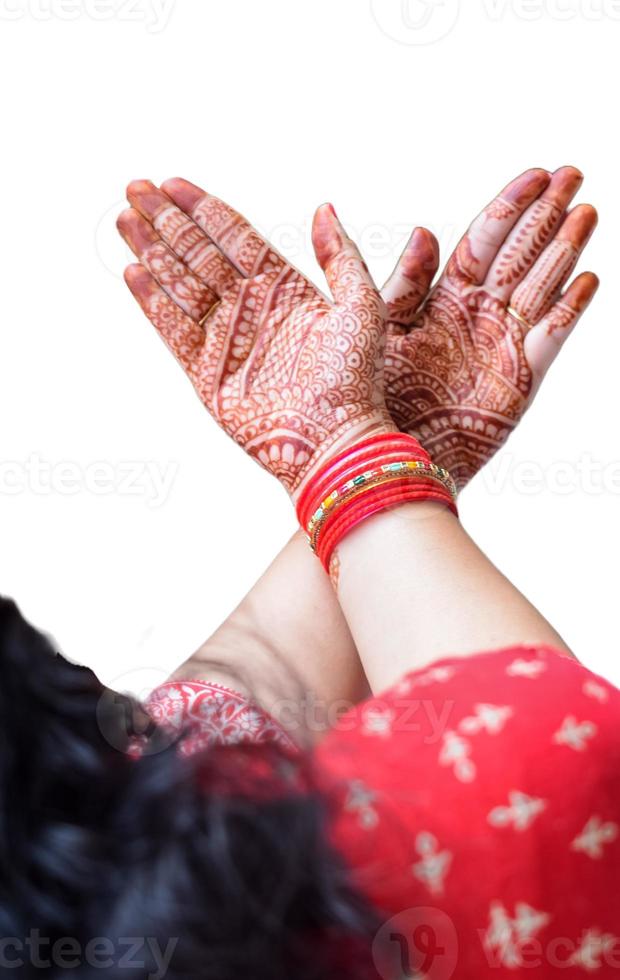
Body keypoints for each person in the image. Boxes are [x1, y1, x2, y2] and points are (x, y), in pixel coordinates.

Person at [0, 167, 615, 979]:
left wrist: (384, 442)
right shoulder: (364, 907)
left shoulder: (129, 906)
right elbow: (542, 747)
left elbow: (233, 715)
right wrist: (353, 447)